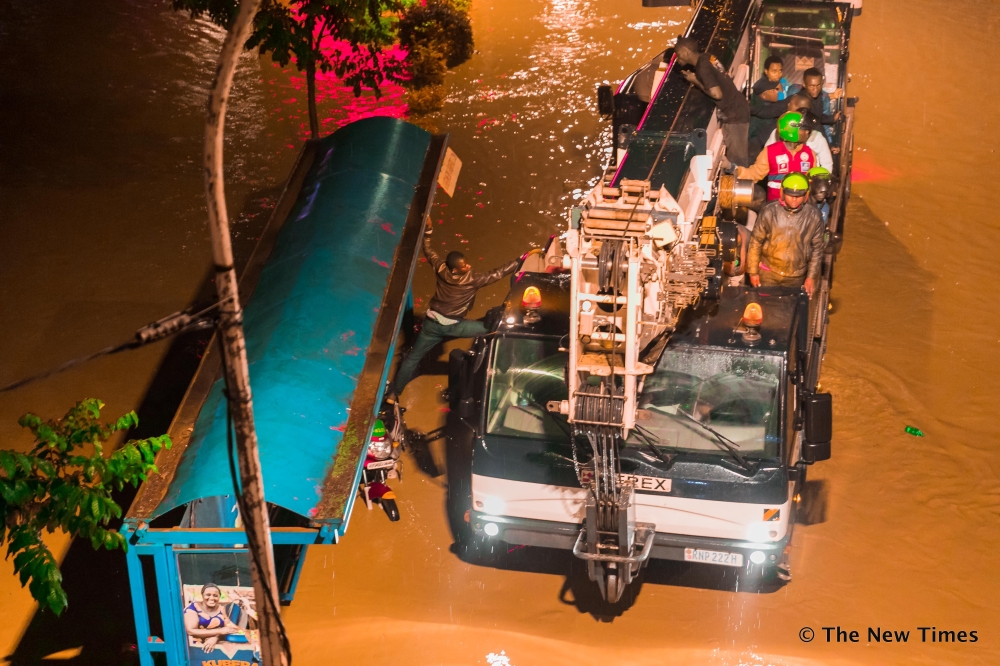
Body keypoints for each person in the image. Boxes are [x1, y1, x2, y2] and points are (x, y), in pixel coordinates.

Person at [387, 221, 528, 399]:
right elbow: (498, 273)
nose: (468, 267)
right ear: (456, 269)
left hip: (430, 324)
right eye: (464, 266)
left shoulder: (441, 269)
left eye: (467, 264)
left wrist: (428, 231)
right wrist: (519, 260)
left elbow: (429, 252)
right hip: (453, 326)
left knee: (412, 359)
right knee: (492, 329)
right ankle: (501, 370)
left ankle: (394, 393)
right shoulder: (473, 280)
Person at [674, 36, 751, 167]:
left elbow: (717, 94)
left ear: (686, 52)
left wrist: (696, 81)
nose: (677, 57)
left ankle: (740, 184)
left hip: (734, 115)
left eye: (678, 53)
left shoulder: (702, 68)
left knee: (737, 161)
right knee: (739, 157)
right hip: (740, 107)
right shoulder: (707, 56)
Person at [746, 173, 825, 297]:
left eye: (799, 195)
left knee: (788, 311)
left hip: (795, 277)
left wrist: (811, 277)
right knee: (764, 309)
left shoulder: (814, 216)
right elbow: (755, 242)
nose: (794, 199)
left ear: (806, 195)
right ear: (782, 193)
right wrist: (753, 272)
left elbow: (817, 249)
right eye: (790, 194)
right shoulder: (769, 211)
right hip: (768, 273)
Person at [734, 111, 817, 201]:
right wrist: (733, 169)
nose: (807, 132)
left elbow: (814, 181)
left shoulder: (810, 154)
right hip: (775, 207)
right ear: (791, 130)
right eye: (803, 128)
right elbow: (753, 174)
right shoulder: (770, 152)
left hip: (802, 207)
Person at [764, 107, 833, 172]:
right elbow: (765, 161)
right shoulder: (779, 133)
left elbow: (827, 165)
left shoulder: (816, 139)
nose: (807, 132)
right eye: (804, 129)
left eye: (808, 129)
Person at [749, 56, 790, 156]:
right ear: (766, 71)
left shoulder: (781, 83)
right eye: (774, 71)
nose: (778, 74)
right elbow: (769, 110)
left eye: (780, 71)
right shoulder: (761, 86)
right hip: (758, 131)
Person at [788, 67, 843, 143]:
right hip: (796, 138)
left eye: (818, 85)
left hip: (813, 138)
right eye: (812, 86)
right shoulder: (797, 98)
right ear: (804, 84)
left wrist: (832, 119)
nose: (816, 89)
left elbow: (817, 119)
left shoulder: (821, 98)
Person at [184, 583, 239, 654]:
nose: (212, 598)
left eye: (215, 595)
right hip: (194, 650)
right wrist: (219, 631)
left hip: (216, 651)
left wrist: (215, 638)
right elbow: (191, 631)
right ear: (202, 595)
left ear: (219, 597)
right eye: (208, 595)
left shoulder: (222, 609)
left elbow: (230, 629)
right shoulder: (192, 608)